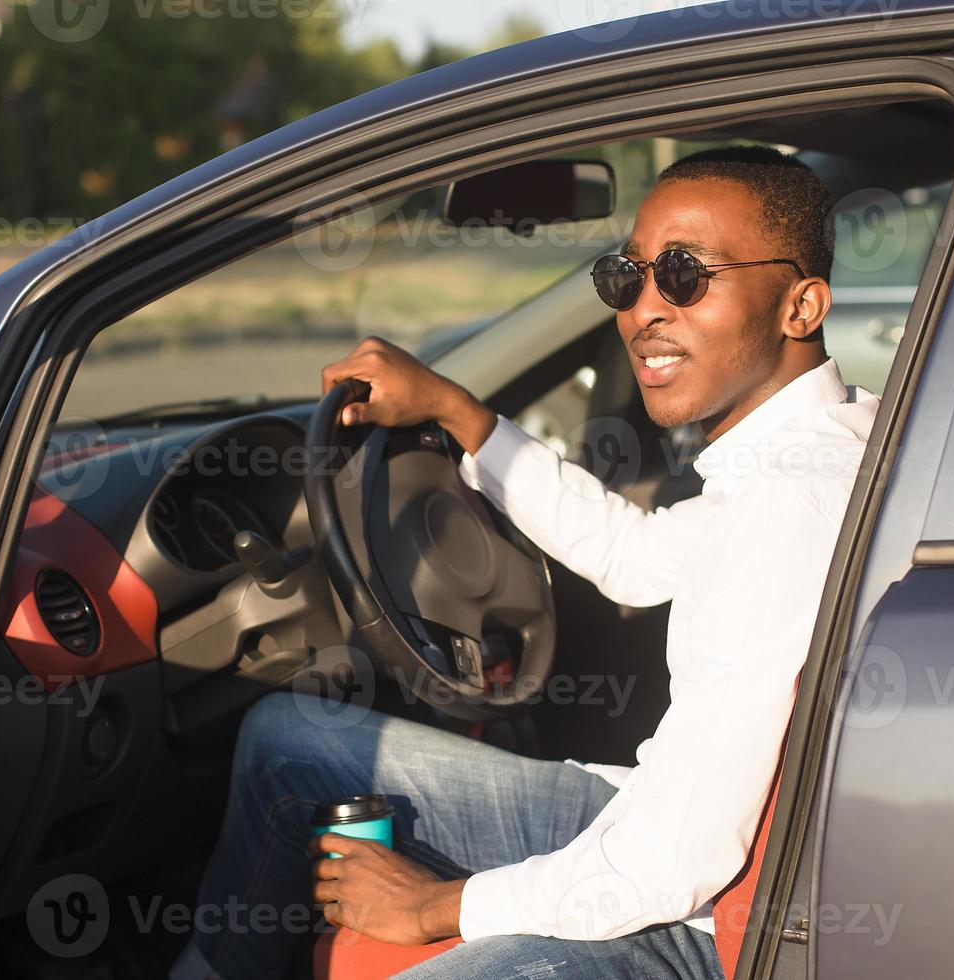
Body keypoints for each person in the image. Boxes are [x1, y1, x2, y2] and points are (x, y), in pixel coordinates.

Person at [171, 145, 879, 979]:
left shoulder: (788, 508)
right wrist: (460, 415)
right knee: (287, 741)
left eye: (685, 275)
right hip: (662, 829)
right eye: (628, 276)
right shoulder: (813, 448)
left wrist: (432, 906)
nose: (642, 310)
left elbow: (670, 863)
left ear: (801, 305)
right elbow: (636, 557)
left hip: (716, 926)